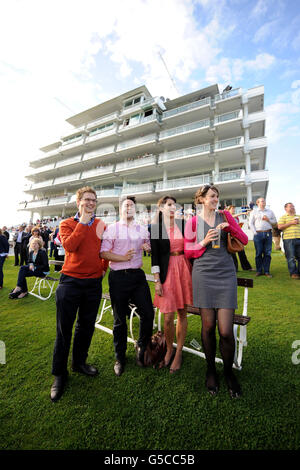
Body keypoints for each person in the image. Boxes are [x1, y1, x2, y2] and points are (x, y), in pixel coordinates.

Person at [184, 184, 248, 398]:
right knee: (208, 326)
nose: (215, 199)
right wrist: (203, 241)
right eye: (211, 196)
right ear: (201, 199)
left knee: (226, 331)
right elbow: (187, 251)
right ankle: (211, 369)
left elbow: (244, 239)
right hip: (203, 274)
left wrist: (227, 228)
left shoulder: (225, 216)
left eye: (217, 196)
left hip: (225, 274)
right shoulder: (192, 222)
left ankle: (229, 373)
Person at [50, 186, 108, 402]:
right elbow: (70, 246)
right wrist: (83, 222)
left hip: (93, 283)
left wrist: (103, 268)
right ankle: (59, 374)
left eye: (93, 199)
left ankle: (78, 363)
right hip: (70, 282)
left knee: (86, 326)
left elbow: (104, 250)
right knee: (64, 330)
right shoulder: (66, 224)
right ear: (78, 202)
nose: (90, 202)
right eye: (86, 199)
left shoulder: (102, 225)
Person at [100, 196, 154, 377]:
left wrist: (148, 246)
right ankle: (120, 357)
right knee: (119, 319)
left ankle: (141, 346)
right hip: (118, 277)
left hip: (137, 277)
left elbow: (148, 246)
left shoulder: (142, 228)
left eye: (132, 205)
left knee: (148, 312)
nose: (129, 207)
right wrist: (123, 257)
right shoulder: (112, 229)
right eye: (126, 205)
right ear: (120, 208)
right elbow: (104, 252)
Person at [150, 196, 192, 373]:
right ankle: (169, 349)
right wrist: (157, 280)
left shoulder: (184, 224)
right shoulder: (156, 229)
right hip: (167, 274)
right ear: (161, 208)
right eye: (169, 205)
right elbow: (155, 257)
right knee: (167, 318)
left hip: (184, 269)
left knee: (182, 313)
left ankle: (179, 352)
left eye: (175, 205)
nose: (173, 207)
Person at [249, 198, 277, 278]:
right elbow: (251, 223)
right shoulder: (254, 212)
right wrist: (255, 233)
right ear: (257, 203)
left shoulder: (270, 211)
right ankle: (259, 271)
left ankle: (267, 271)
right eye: (262, 201)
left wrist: (268, 220)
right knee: (258, 253)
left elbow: (274, 222)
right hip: (258, 234)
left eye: (264, 201)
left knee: (267, 253)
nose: (264, 202)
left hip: (268, 233)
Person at [226, 205, 254, 272]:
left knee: (242, 252)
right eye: (232, 209)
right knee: (233, 253)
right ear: (228, 210)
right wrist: (243, 213)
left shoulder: (237, 218)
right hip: (231, 236)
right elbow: (231, 218)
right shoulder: (227, 216)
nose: (233, 210)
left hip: (237, 236)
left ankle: (246, 267)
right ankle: (234, 269)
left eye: (234, 208)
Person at [278, 203, 300, 279]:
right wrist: (291, 223)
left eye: (293, 206)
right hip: (288, 239)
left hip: (299, 238)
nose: (292, 207)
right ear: (286, 209)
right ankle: (294, 273)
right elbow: (279, 227)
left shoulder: (298, 217)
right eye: (290, 206)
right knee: (291, 257)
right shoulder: (283, 217)